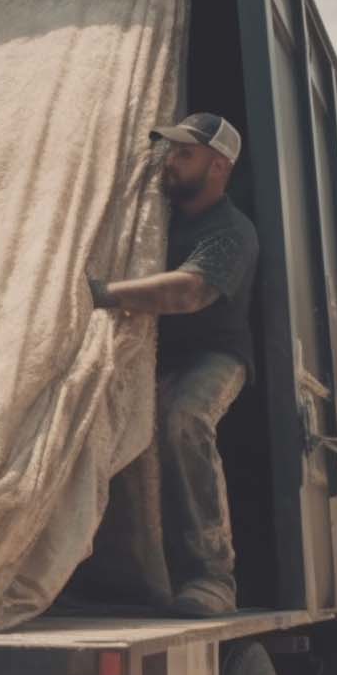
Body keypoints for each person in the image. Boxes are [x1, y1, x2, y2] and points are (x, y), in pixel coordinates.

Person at [87, 113, 260, 617]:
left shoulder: (232, 231)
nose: (171, 161)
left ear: (219, 166)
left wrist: (101, 296)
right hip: (152, 351)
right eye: (171, 150)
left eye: (186, 153)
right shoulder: (148, 219)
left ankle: (211, 575)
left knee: (183, 418)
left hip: (214, 355)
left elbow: (188, 292)